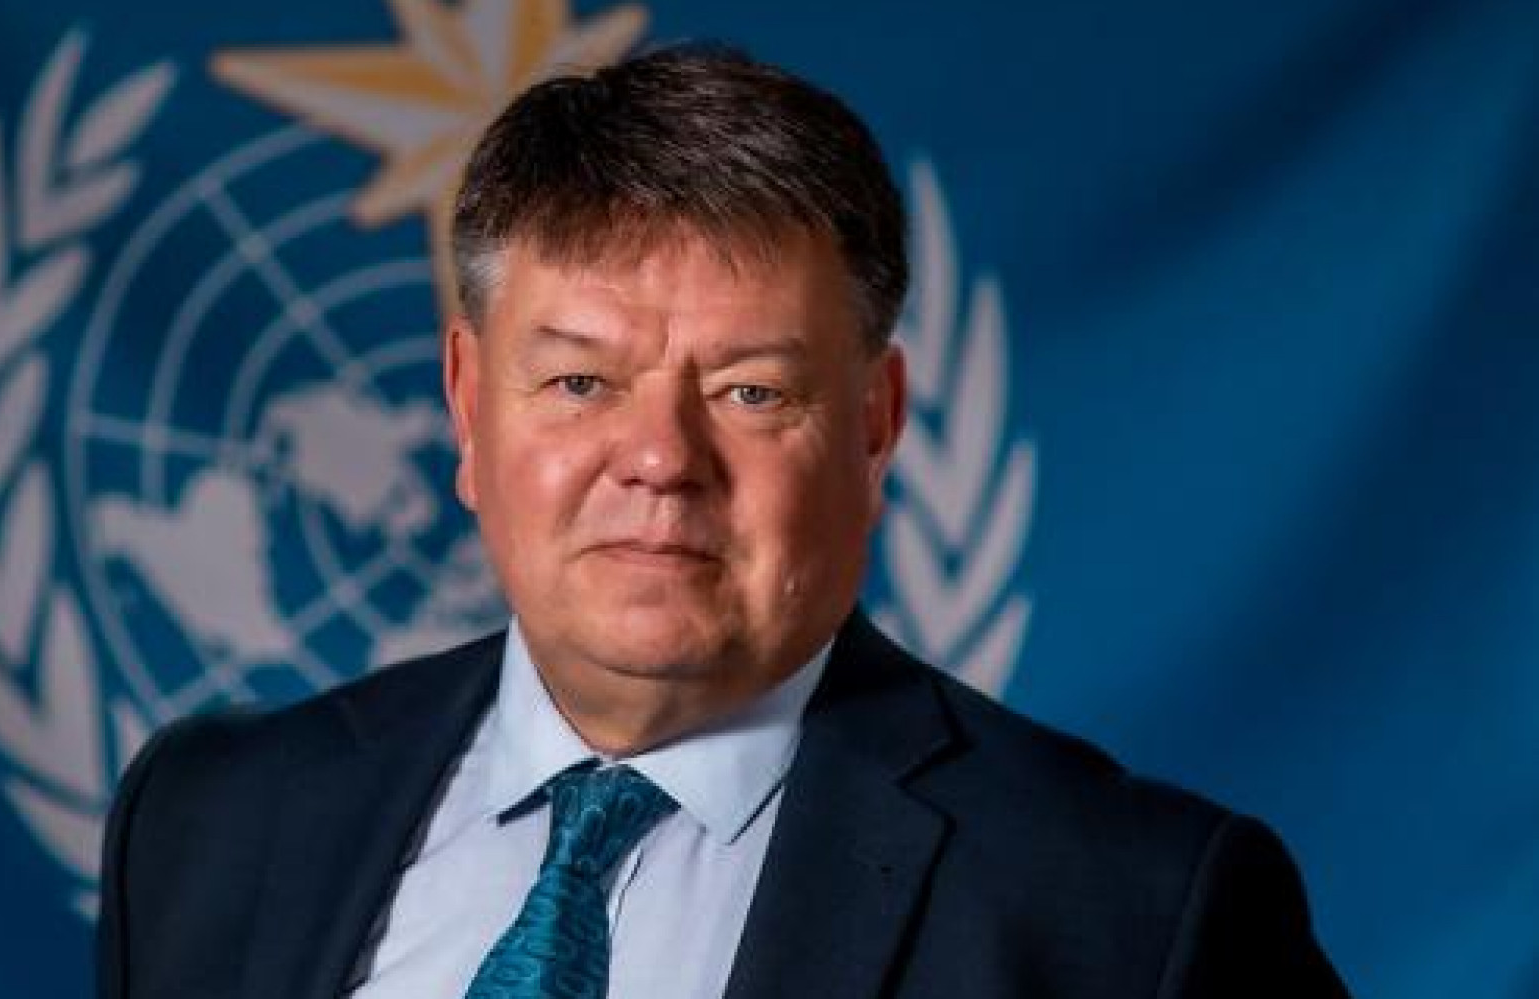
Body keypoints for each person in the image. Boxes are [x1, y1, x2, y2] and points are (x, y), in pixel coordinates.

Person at [96, 44, 1349, 999]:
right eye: (578, 382)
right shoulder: (206, 823)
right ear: (469, 407)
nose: (658, 460)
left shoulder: (1130, 915)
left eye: (751, 392)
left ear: (871, 426)